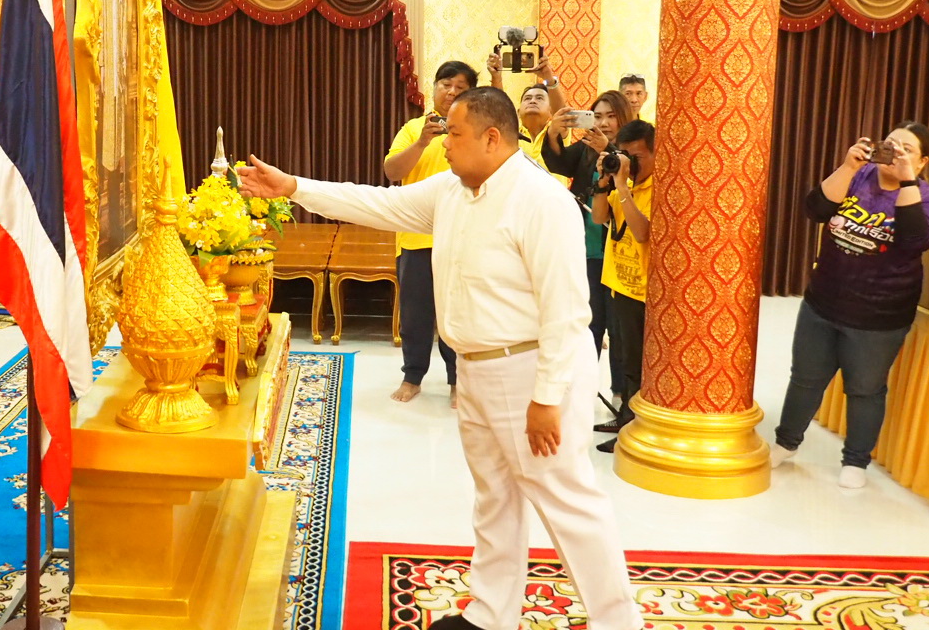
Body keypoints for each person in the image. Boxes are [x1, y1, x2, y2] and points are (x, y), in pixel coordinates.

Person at [238, 87, 642, 630]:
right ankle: (490, 613)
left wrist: (547, 399)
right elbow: (377, 203)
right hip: (476, 369)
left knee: (567, 503)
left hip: (531, 374)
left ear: (492, 138)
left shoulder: (542, 201)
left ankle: (619, 622)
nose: (445, 145)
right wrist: (293, 187)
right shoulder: (454, 191)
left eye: (453, 134)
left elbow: (568, 314)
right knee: (494, 496)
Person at [770, 122, 929, 489]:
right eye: (890, 144)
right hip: (823, 302)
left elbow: (916, 239)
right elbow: (815, 208)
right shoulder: (859, 175)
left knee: (865, 389)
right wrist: (848, 166)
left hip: (879, 317)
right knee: (805, 379)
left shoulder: (926, 198)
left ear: (923, 161)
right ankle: (786, 443)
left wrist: (908, 180)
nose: (895, 153)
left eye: (906, 150)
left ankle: (856, 460)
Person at [383, 61, 476, 406]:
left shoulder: (474, 132)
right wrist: (422, 142)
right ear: (434, 88)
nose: (451, 92)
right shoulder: (413, 128)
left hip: (462, 236)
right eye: (446, 85)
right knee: (416, 312)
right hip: (415, 237)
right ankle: (412, 377)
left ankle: (456, 381)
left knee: (457, 312)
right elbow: (392, 171)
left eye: (461, 88)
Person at [546, 91, 634, 407]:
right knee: (588, 322)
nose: (604, 122)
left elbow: (634, 175)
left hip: (623, 250)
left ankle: (622, 396)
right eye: (597, 116)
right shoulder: (585, 149)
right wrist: (555, 131)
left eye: (610, 115)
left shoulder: (635, 148)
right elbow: (557, 160)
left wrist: (608, 150)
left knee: (620, 327)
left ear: (623, 116)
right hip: (588, 246)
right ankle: (582, 392)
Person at [589, 120, 656, 454]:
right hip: (616, 284)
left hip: (641, 291)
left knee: (635, 366)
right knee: (623, 358)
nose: (630, 163)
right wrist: (605, 183)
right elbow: (600, 219)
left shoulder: (658, 188)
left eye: (636, 156)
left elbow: (642, 233)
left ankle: (631, 432)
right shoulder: (621, 184)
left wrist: (623, 186)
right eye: (624, 155)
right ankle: (626, 419)